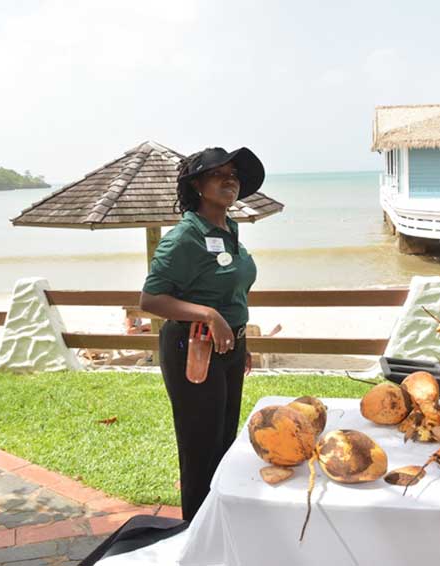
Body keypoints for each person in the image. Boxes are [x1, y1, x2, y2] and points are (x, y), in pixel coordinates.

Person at [139, 146, 264, 521]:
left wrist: (241, 341)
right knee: (200, 447)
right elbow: (150, 299)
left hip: (228, 349)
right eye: (218, 174)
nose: (230, 180)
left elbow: (231, 295)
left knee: (224, 442)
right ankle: (194, 533)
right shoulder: (184, 238)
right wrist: (208, 315)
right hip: (191, 348)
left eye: (234, 175)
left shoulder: (229, 230)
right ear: (197, 185)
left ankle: (218, 524)